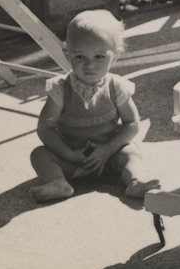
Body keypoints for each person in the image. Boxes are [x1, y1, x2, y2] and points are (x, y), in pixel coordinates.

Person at [29, 10, 159, 203]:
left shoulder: (117, 87)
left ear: (114, 57)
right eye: (80, 57)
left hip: (109, 156)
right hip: (71, 158)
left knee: (131, 151)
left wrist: (108, 149)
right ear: (67, 55)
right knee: (39, 154)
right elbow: (45, 127)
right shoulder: (60, 90)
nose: (89, 65)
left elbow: (132, 123)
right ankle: (59, 183)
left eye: (99, 57)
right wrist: (69, 155)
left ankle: (135, 181)